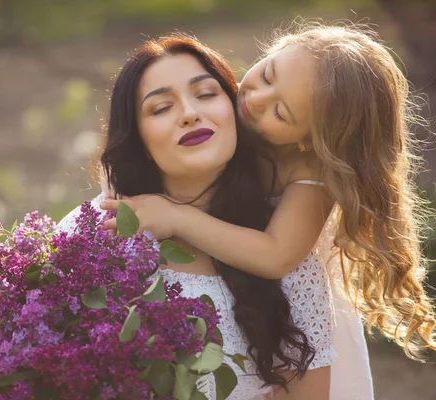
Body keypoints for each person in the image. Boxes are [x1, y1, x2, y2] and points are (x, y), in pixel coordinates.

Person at [100, 22, 436, 399]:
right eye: (267, 74)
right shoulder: (220, 105)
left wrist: (177, 217)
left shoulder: (309, 173)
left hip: (269, 301)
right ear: (278, 48)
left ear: (309, 141)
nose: (255, 99)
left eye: (280, 112)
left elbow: (276, 255)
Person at [57, 33, 334, 399]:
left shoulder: (288, 245)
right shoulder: (91, 236)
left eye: (205, 94)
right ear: (137, 137)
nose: (190, 114)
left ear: (233, 109)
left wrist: (175, 216)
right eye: (160, 108)